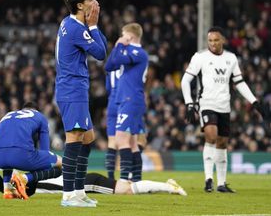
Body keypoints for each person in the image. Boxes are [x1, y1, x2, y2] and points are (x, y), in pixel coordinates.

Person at [181, 26, 266, 193]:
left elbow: (239, 83)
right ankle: (208, 179)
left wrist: (254, 102)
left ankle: (221, 184)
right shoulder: (200, 57)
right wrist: (189, 103)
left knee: (222, 143)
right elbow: (185, 81)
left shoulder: (231, 58)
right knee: (211, 136)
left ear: (223, 40)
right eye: (210, 40)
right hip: (207, 104)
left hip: (224, 106)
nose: (213, 43)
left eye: (216, 40)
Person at [54, 0, 107, 207]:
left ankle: (78, 190)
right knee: (75, 138)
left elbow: (101, 46)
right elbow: (101, 52)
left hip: (74, 88)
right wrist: (93, 26)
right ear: (79, 6)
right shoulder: (76, 28)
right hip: (72, 89)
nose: (95, 2)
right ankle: (68, 195)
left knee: (88, 138)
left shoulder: (69, 23)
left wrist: (93, 27)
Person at [0, 102, 62, 200]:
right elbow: (44, 152)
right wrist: (32, 179)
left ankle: (8, 189)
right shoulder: (40, 117)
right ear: (35, 110)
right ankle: (23, 179)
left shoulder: (7, 116)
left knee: (8, 154)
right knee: (62, 165)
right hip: (21, 155)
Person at [105, 23, 148, 182]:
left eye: (123, 35)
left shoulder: (139, 52)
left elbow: (118, 59)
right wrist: (119, 46)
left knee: (121, 139)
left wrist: (120, 45)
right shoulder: (127, 50)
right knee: (132, 143)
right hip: (125, 99)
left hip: (131, 99)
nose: (121, 37)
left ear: (130, 36)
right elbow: (109, 65)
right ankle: (136, 180)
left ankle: (123, 180)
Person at [23, 172, 186, 196]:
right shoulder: (38, 175)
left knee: (128, 190)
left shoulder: (38, 186)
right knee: (127, 186)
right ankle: (167, 185)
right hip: (85, 179)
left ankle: (170, 187)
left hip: (88, 183)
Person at [104, 69, 121, 179]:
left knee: (112, 142)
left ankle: (110, 177)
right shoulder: (128, 66)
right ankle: (128, 176)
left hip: (111, 103)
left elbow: (108, 88)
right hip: (123, 102)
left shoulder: (110, 70)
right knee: (128, 141)